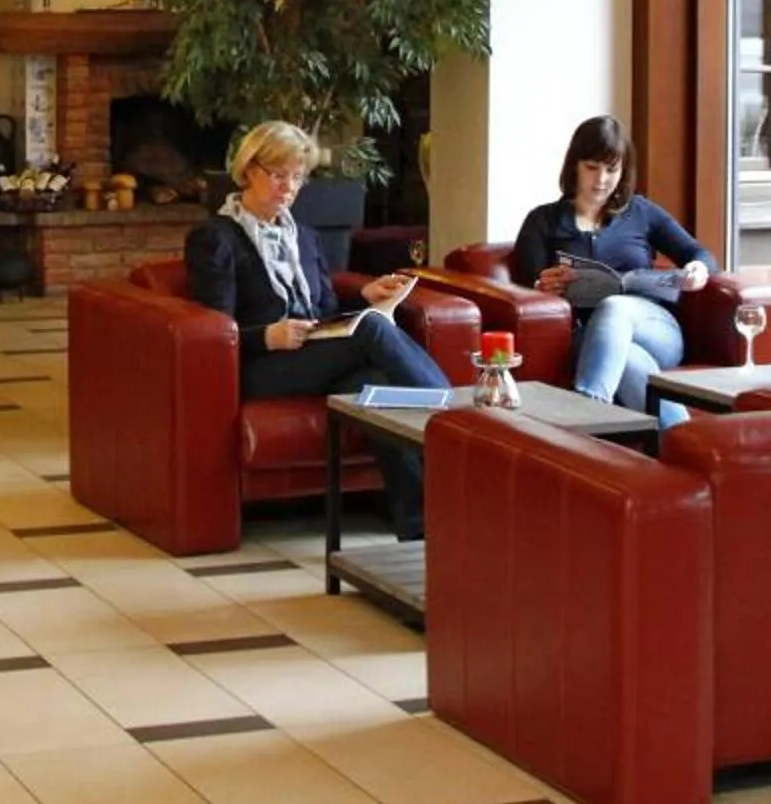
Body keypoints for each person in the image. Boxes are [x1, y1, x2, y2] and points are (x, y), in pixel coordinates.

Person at [185, 121, 443, 539]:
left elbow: (324, 308)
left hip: (311, 351)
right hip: (259, 364)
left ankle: (420, 525)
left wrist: (364, 294)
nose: (288, 186)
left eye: (297, 176)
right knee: (373, 331)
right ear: (250, 170)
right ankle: (458, 416)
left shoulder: (303, 236)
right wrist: (268, 334)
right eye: (278, 174)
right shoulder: (215, 238)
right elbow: (214, 327)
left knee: (374, 386)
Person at [507, 115, 714, 411]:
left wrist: (699, 269)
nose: (601, 179)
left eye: (611, 170)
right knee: (627, 359)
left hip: (656, 329)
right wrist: (543, 288)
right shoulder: (543, 221)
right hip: (587, 336)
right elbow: (526, 287)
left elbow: (700, 253)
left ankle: (586, 413)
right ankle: (680, 444)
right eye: (592, 168)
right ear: (574, 166)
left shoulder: (641, 212)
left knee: (615, 306)